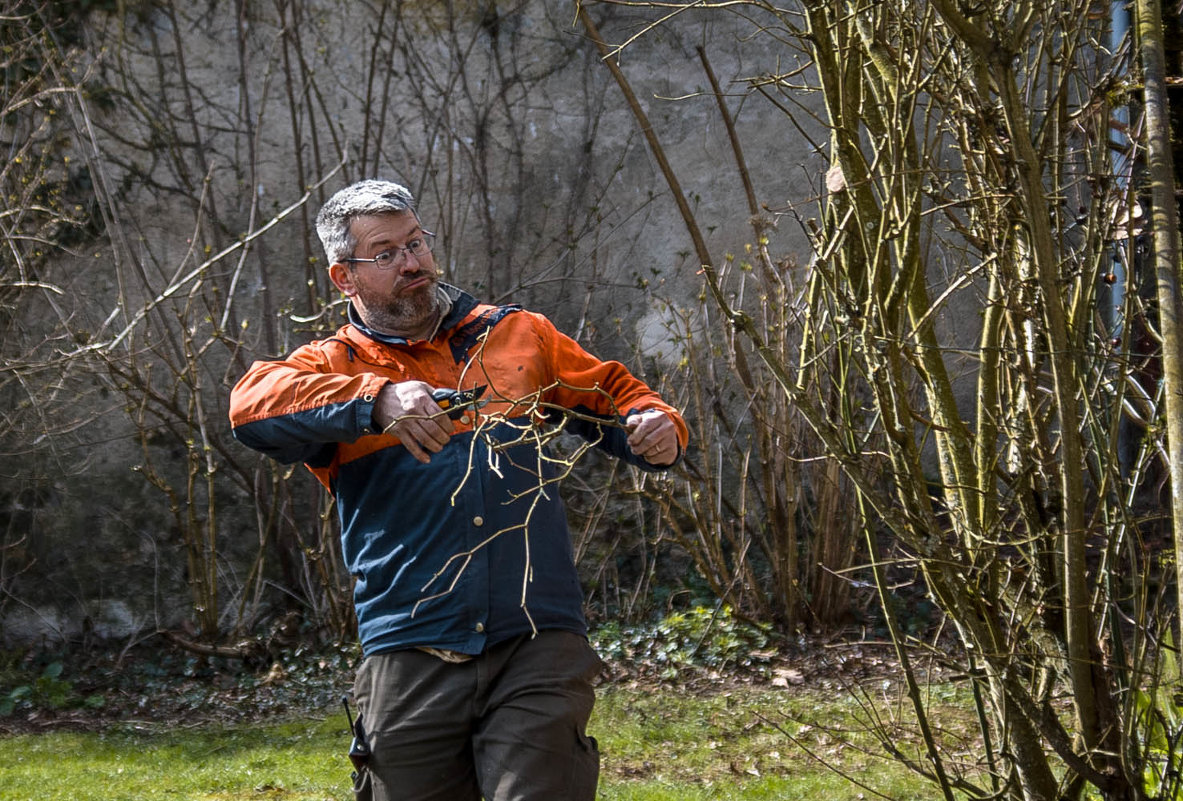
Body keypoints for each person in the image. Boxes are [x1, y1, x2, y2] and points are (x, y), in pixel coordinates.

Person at [228, 179, 688, 801]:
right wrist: (377, 400)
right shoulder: (332, 366)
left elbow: (617, 395)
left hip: (535, 637)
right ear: (345, 278)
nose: (412, 262)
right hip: (410, 641)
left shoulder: (518, 336)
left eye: (415, 242)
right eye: (385, 252)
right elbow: (249, 407)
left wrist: (658, 425)